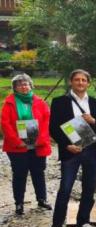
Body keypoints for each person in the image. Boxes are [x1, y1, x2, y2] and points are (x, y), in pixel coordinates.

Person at [47, 69, 96, 227]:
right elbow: (53, 128)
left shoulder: (95, 103)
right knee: (65, 188)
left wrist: (93, 121)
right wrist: (67, 145)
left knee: (89, 188)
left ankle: (83, 222)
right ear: (71, 82)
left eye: (84, 80)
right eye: (77, 80)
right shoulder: (60, 102)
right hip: (72, 150)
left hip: (92, 150)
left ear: (88, 83)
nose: (80, 82)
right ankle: (56, 226)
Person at [1, 73, 51, 216]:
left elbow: (47, 121)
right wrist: (17, 142)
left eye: (26, 84)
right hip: (17, 147)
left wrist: (40, 139)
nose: (23, 87)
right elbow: (5, 124)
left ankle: (42, 199)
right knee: (19, 174)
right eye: (20, 85)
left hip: (38, 145)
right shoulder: (9, 103)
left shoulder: (40, 102)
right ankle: (19, 203)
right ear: (15, 88)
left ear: (31, 85)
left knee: (38, 173)